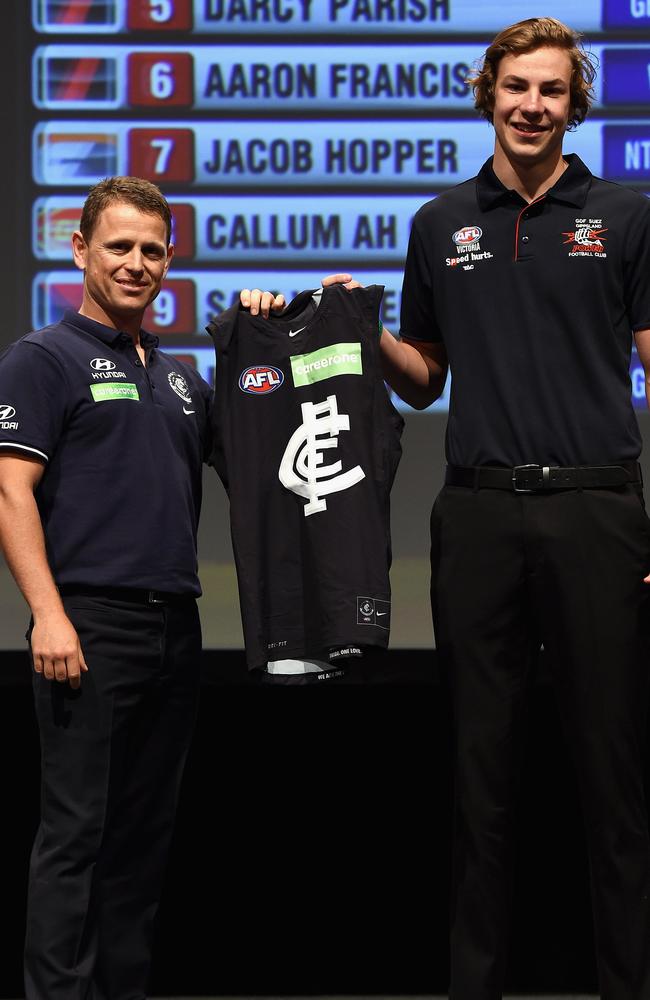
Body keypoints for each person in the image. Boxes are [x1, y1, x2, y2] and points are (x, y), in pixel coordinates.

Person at [249, 16, 650, 1000]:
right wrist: (359, 326)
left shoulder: (628, 214)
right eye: (515, 87)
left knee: (611, 780)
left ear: (573, 103)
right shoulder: (439, 225)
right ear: (486, 92)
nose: (530, 105)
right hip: (474, 516)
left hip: (595, 509)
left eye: (550, 91)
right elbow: (423, 378)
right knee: (480, 783)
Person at [0, 177, 213, 1000]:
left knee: (141, 842)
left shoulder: (183, 376)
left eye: (151, 250)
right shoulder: (42, 359)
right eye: (118, 246)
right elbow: (11, 491)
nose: (135, 263)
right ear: (80, 249)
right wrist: (48, 615)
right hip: (86, 625)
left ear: (170, 260)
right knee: (76, 836)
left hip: (176, 628)